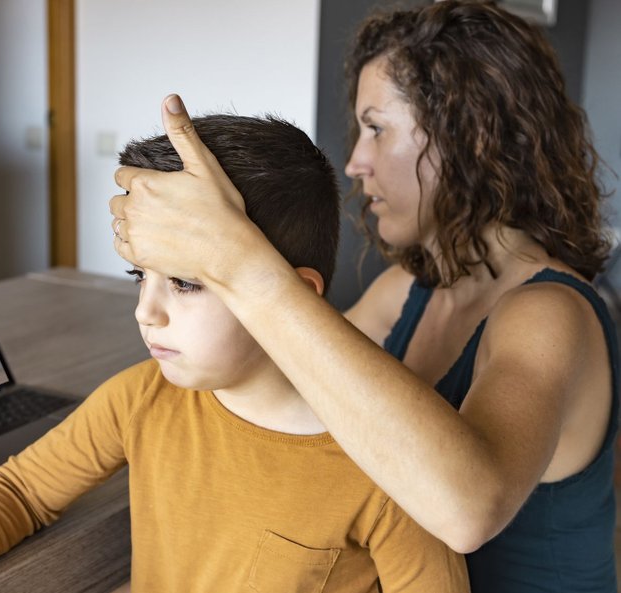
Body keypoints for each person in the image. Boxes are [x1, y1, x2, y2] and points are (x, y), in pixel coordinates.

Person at [110, 2, 618, 592]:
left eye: (376, 128)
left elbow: (467, 510)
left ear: (473, 136)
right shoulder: (409, 288)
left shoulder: (550, 312)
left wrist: (238, 258)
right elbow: (293, 375)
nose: (355, 162)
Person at [0, 115, 469, 592]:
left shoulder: (392, 467)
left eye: (185, 282)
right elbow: (20, 492)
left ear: (294, 298)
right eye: (140, 276)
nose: (145, 310)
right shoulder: (140, 400)